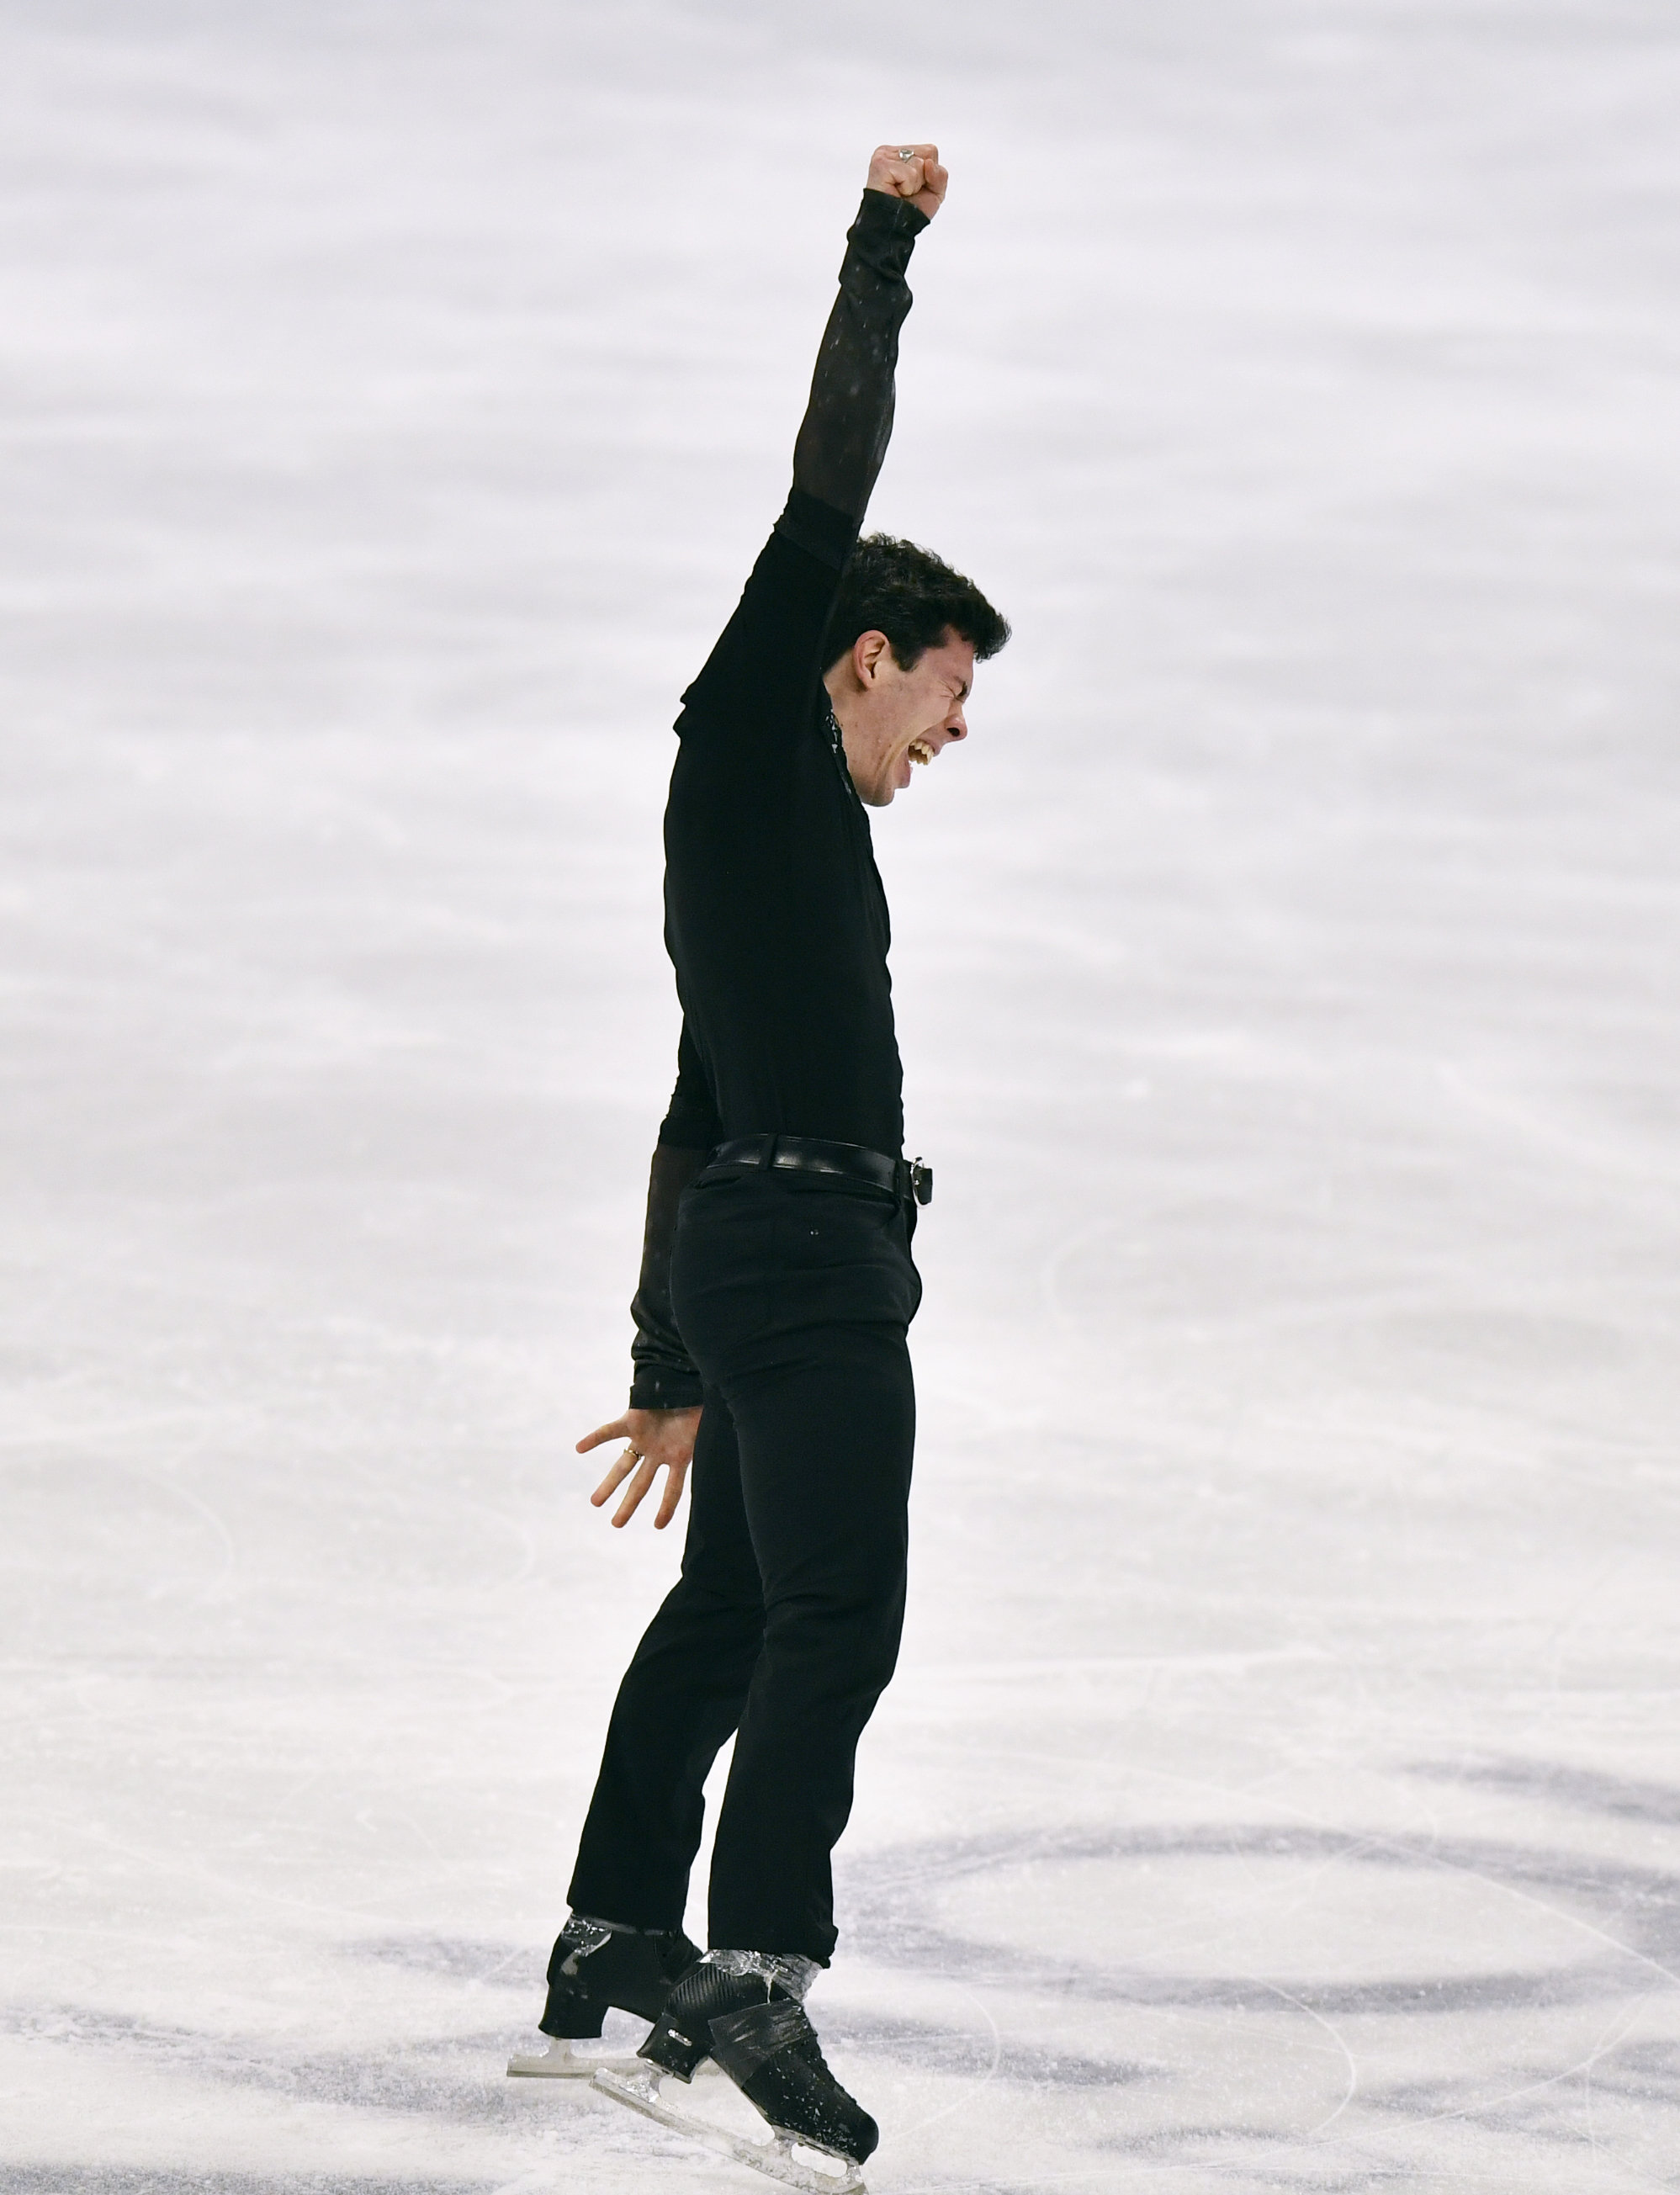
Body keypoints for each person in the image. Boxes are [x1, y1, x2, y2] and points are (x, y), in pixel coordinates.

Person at [528, 142, 1010, 2172]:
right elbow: (834, 468)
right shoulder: (748, 737)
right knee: (842, 1615)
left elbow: (693, 1092)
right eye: (950, 691)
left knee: (731, 1616)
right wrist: (883, 247)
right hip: (805, 1270)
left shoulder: (786, 852)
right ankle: (756, 1974)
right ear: (862, 651)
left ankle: (609, 1944)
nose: (955, 734)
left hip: (759, 1253)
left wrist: (666, 1357)